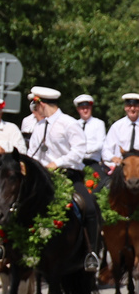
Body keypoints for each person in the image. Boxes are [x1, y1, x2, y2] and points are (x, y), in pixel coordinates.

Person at [25, 86, 102, 270]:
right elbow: (32, 152)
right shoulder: (39, 126)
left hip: (69, 175)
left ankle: (91, 252)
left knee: (89, 206)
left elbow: (79, 150)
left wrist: (57, 163)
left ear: (41, 103)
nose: (34, 109)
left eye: (35, 104)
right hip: (44, 178)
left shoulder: (69, 123)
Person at [102, 93, 139, 165]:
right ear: (125, 107)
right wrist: (113, 158)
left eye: (135, 106)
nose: (132, 109)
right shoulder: (117, 127)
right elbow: (106, 150)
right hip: (121, 166)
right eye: (129, 106)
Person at [74, 94, 107, 168]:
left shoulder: (98, 123)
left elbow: (101, 143)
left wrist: (86, 150)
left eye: (87, 108)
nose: (85, 110)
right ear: (78, 110)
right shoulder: (74, 124)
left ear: (91, 108)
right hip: (76, 161)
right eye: (82, 108)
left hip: (92, 160)